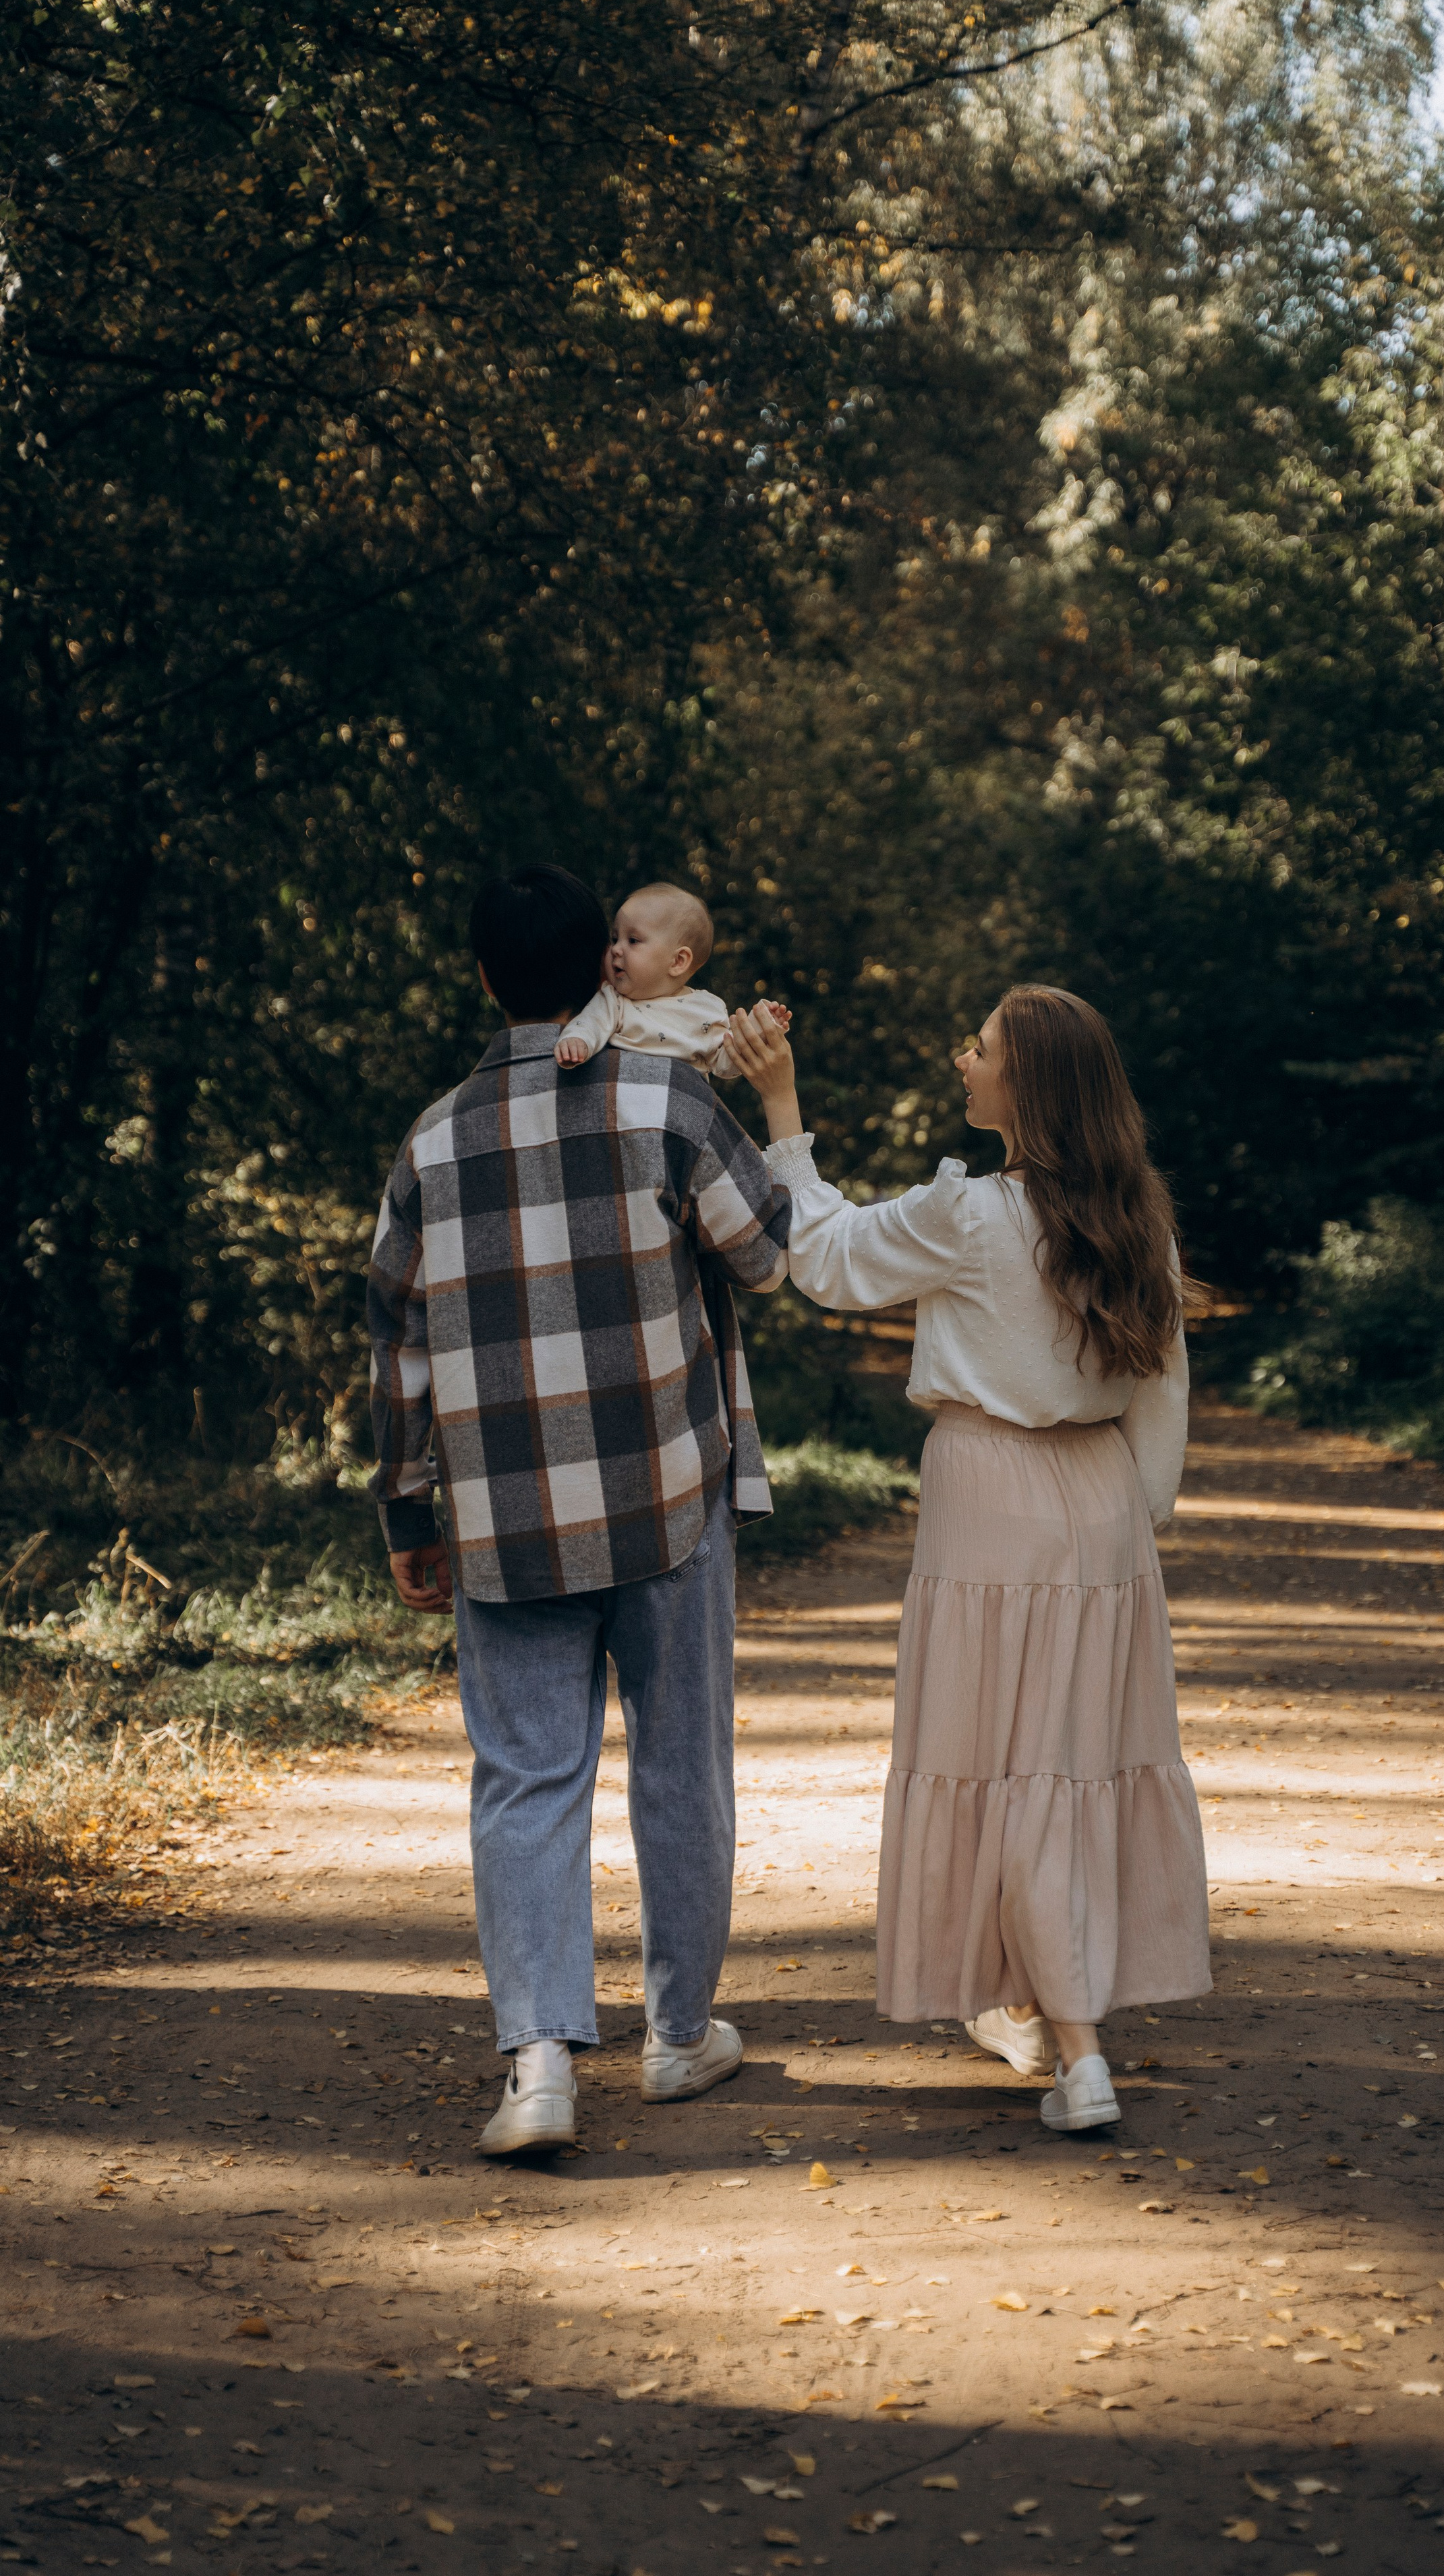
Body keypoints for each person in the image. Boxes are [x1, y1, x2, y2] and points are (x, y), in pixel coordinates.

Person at [727, 983, 1211, 2134]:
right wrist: (1131, 1527)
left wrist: (780, 1102)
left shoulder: (970, 1212)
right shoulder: (1136, 1206)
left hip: (989, 1495)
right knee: (1063, 1761)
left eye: (981, 1046)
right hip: (1100, 1503)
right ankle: (1021, 1998)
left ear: (1026, 1082)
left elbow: (829, 1257)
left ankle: (1079, 2051)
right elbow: (1164, 1384)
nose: (964, 1057)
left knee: (1005, 1764)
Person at [368, 863, 792, 2158]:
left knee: (526, 1775)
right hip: (666, 1492)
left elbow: (399, 1348)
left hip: (502, 1516)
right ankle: (677, 2036)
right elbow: (770, 1255)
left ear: (487, 978)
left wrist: (409, 1518)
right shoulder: (674, 1102)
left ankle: (539, 2061)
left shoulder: (431, 1141)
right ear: (601, 962)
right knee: (681, 1760)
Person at [553, 880, 789, 1075]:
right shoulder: (613, 1001)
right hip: (625, 1108)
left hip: (680, 1116)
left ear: (677, 962)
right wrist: (577, 1041)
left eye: (633, 941)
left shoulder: (706, 1009)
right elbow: (590, 1024)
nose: (616, 949)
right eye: (615, 938)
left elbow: (725, 1063)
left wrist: (759, 1033)